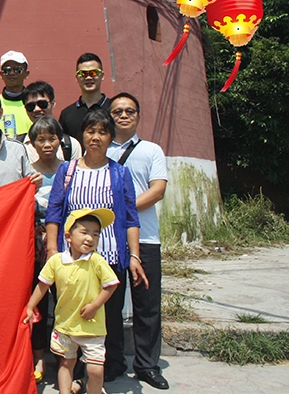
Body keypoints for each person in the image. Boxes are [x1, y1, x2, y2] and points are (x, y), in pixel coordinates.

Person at [45, 109, 148, 385]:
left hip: (109, 257)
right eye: (91, 131)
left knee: (109, 315)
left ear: (110, 138)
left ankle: (106, 369)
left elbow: (131, 217)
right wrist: (53, 251)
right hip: (72, 260)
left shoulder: (119, 173)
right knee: (72, 313)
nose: (96, 137)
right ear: (83, 135)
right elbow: (54, 211)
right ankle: (73, 369)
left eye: (103, 132)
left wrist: (134, 255)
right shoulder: (67, 171)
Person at [106, 93, 169, 390]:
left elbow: (157, 190)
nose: (123, 115)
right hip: (109, 240)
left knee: (147, 304)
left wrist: (121, 209)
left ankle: (146, 365)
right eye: (117, 111)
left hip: (146, 238)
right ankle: (114, 361)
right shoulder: (101, 148)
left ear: (138, 115)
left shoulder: (151, 150)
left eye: (129, 111)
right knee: (111, 305)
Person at [24, 208, 120, 394]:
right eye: (84, 232)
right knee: (66, 363)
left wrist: (95, 306)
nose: (90, 238)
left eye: (95, 234)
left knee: (95, 369)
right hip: (65, 326)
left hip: (92, 327)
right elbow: (42, 285)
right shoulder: (56, 261)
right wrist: (30, 307)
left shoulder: (96, 261)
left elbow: (111, 285)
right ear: (68, 236)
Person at [26, 115, 67, 383]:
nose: (47, 144)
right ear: (33, 143)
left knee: (65, 301)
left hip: (65, 247)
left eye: (52, 138)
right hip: (35, 248)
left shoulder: (70, 170)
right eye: (41, 139)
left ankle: (66, 357)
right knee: (39, 302)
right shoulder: (28, 173)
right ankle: (39, 355)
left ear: (60, 140)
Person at [23, 81, 82, 163]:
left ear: (53, 103)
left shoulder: (71, 145)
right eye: (30, 106)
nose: (36, 109)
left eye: (42, 104)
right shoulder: (20, 145)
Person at [58, 53, 111, 146]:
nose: (88, 77)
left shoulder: (113, 109)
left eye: (93, 73)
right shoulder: (67, 114)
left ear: (102, 76)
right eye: (83, 74)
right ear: (77, 78)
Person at [0, 50, 32, 140]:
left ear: (26, 74)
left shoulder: (36, 104)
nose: (12, 73)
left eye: (18, 69)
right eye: (7, 70)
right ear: (1, 74)